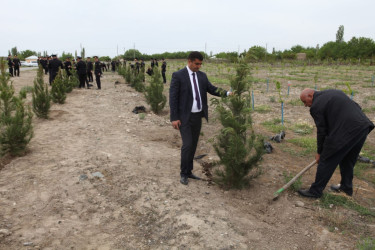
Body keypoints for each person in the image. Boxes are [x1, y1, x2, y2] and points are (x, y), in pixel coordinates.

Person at [298, 88, 374, 198]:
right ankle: (346, 188)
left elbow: (322, 131)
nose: (305, 105)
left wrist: (320, 153)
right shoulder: (334, 92)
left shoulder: (316, 106)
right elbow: (357, 106)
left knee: (326, 160)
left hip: (347, 132)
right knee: (347, 160)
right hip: (362, 127)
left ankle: (315, 191)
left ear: (310, 95)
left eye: (305, 102)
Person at [169, 51, 230, 185]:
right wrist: (174, 118)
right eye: (196, 64)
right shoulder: (178, 75)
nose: (199, 66)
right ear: (189, 61)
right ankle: (183, 173)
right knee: (187, 144)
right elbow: (173, 98)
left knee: (194, 144)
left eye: (200, 64)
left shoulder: (202, 76)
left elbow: (212, 89)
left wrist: (227, 93)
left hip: (197, 116)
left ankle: (189, 171)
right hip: (184, 117)